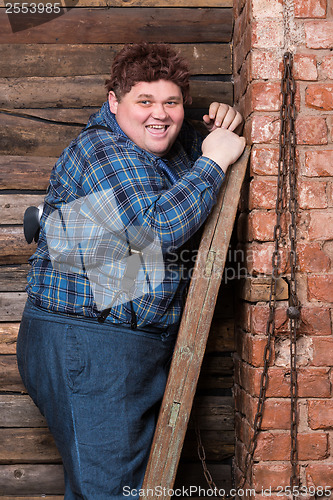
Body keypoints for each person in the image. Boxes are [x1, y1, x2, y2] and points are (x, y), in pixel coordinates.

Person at [17, 42, 246, 499]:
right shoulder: (104, 150)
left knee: (112, 489)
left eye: (172, 102)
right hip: (90, 344)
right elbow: (159, 227)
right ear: (113, 102)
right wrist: (215, 160)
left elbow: (166, 205)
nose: (159, 114)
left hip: (116, 343)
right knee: (110, 493)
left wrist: (220, 126)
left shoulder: (158, 151)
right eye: (144, 101)